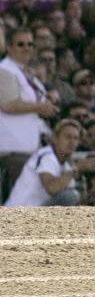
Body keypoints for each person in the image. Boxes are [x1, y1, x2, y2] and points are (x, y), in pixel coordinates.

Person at [0, 27, 59, 201]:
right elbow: (8, 105)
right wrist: (41, 108)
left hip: (29, 149)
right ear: (9, 47)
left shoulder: (25, 71)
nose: (26, 48)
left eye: (30, 44)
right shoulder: (4, 70)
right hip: (13, 151)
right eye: (21, 44)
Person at [4, 118, 95, 207]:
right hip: (18, 212)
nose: (72, 142)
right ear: (55, 139)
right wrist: (76, 168)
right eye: (67, 137)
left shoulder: (66, 165)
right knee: (69, 196)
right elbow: (52, 188)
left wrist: (91, 194)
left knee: (74, 196)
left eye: (75, 138)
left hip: (34, 212)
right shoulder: (46, 155)